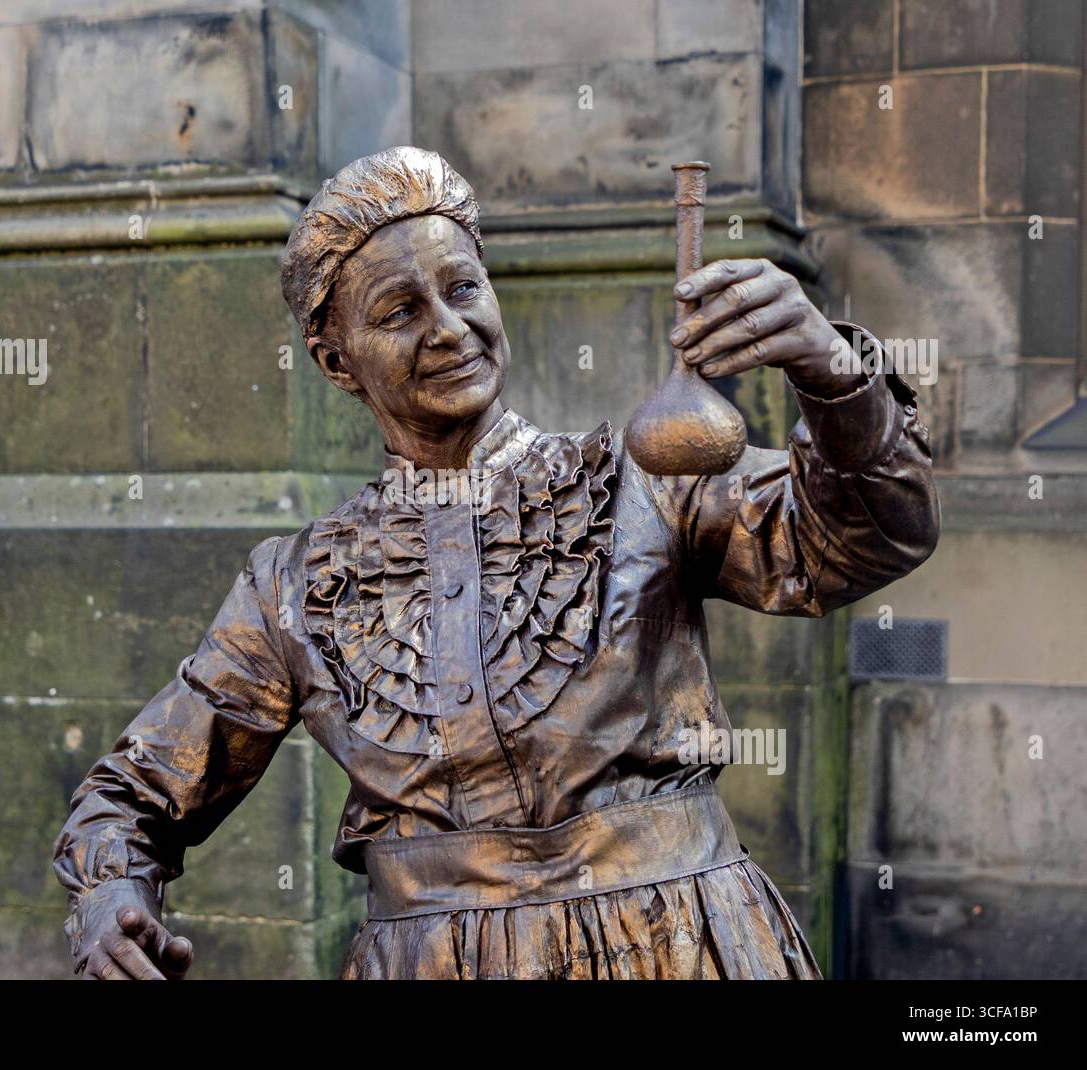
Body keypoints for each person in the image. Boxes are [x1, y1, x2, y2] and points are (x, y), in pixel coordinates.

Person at [53, 146, 940, 980]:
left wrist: (833, 376)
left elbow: (865, 537)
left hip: (678, 944)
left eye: (463, 287)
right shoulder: (294, 584)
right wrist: (110, 896)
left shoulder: (646, 479)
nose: (448, 328)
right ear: (336, 361)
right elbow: (135, 792)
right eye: (400, 311)